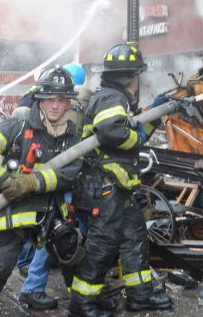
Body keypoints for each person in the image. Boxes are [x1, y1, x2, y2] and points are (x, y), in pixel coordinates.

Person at [0, 65, 82, 317]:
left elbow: (71, 172)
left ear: (68, 102)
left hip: (48, 216)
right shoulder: (18, 126)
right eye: (49, 99)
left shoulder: (72, 135)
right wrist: (6, 182)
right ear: (39, 99)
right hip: (9, 215)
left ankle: (81, 307)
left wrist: (32, 183)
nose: (56, 106)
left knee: (75, 256)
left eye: (61, 100)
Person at [69, 42, 171, 317]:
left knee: (134, 239)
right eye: (138, 75)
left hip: (118, 189)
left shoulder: (113, 97)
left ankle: (140, 296)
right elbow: (111, 131)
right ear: (132, 76)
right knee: (103, 245)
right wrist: (136, 136)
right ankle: (82, 303)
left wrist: (155, 116)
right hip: (104, 188)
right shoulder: (113, 99)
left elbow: (133, 136)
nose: (139, 81)